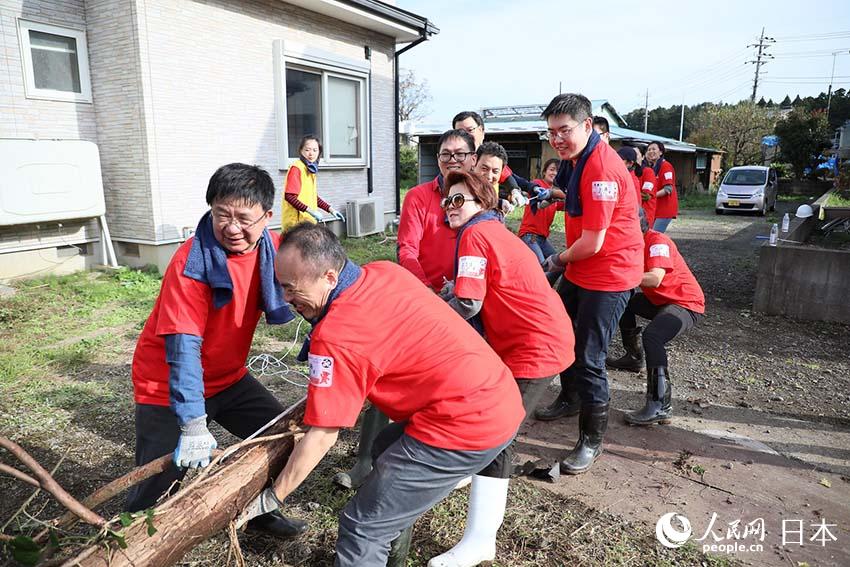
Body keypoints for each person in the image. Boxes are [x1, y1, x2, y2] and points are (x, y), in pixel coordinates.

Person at [239, 223, 525, 567]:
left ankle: (378, 540)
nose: (285, 298)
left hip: (464, 424)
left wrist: (274, 496)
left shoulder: (336, 335)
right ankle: (393, 552)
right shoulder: (383, 272)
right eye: (281, 286)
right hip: (497, 394)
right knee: (385, 447)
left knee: (362, 528)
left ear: (330, 277)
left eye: (291, 288)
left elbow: (323, 435)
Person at [127, 163, 307, 538]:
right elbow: (183, 350)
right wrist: (193, 423)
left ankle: (258, 513)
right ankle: (127, 541)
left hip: (228, 378)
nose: (232, 227)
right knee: (159, 480)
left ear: (267, 217)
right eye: (222, 214)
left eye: (244, 218)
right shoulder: (191, 263)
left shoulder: (274, 250)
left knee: (281, 435)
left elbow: (320, 283)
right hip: (166, 383)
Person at [432, 169, 574, 567]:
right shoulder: (489, 230)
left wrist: (429, 317)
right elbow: (476, 288)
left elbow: (468, 304)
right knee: (487, 419)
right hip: (533, 340)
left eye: (458, 200)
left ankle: (481, 540)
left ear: (482, 202)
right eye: (446, 200)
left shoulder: (474, 235)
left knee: (497, 434)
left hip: (535, 347)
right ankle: (473, 472)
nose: (450, 207)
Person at [533, 94, 643, 475]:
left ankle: (591, 441)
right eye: (551, 132)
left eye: (564, 130)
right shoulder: (576, 160)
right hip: (583, 267)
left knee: (589, 355)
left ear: (587, 126)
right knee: (559, 330)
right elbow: (572, 197)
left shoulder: (601, 169)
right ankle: (571, 397)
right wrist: (549, 195)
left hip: (610, 273)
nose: (557, 139)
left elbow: (594, 242)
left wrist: (556, 260)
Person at [607, 209, 704, 425]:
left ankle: (660, 404)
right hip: (661, 301)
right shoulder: (630, 245)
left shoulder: (658, 242)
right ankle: (634, 357)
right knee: (624, 302)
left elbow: (654, 279)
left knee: (653, 337)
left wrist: (621, 274)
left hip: (685, 303)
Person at [397, 129, 476, 291]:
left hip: (473, 291)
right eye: (445, 154)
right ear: (438, 158)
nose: (452, 160)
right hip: (430, 292)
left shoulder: (481, 197)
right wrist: (426, 289)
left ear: (473, 159)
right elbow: (407, 249)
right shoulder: (417, 197)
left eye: (460, 154)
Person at [281, 135, 343, 231]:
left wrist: (331, 210)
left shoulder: (309, 170)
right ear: (301, 151)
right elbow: (289, 196)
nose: (311, 154)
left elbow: (312, 197)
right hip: (296, 225)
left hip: (306, 223)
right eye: (307, 150)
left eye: (315, 150)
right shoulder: (297, 169)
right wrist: (311, 211)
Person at [517, 158, 566, 268]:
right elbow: (539, 200)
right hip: (530, 235)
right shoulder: (537, 185)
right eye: (552, 169)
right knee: (543, 266)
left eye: (558, 171)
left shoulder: (555, 194)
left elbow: (567, 204)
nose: (554, 173)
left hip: (543, 239)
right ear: (544, 172)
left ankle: (546, 281)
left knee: (559, 266)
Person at [645, 141, 677, 233]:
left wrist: (651, 196)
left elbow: (668, 189)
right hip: (656, 209)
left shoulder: (666, 166)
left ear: (661, 152)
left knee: (655, 234)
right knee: (650, 234)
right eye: (649, 150)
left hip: (665, 210)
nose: (651, 151)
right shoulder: (652, 167)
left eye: (654, 149)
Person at [634, 145, 658, 228]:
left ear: (643, 157)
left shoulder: (648, 172)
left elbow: (647, 196)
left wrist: (628, 194)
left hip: (645, 216)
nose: (634, 157)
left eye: (636, 154)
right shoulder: (630, 172)